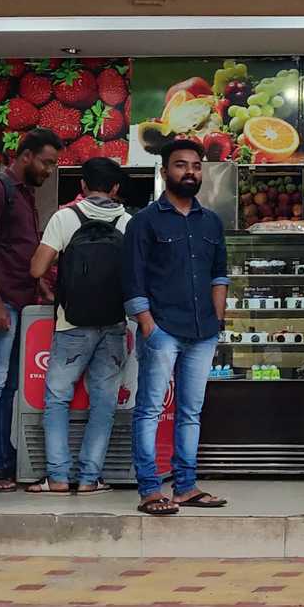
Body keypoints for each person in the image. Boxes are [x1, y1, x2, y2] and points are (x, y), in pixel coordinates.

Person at [124, 139, 230, 515]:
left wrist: (217, 321)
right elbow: (133, 279)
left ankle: (185, 487)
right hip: (163, 329)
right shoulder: (144, 221)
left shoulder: (211, 222)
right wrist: (148, 325)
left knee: (190, 412)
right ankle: (150, 490)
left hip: (203, 332)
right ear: (165, 171)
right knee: (149, 410)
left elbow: (219, 275)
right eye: (181, 165)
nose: (190, 172)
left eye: (196, 166)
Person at [22, 157, 131, 496]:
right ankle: (89, 479)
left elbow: (36, 269)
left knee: (57, 399)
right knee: (104, 404)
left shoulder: (65, 217)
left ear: (82, 186)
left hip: (71, 324)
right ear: (116, 188)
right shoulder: (129, 222)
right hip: (114, 323)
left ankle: (57, 477)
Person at [0, 127, 61, 493]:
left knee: (8, 388)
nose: (49, 170)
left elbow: (17, 250)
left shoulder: (23, 194)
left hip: (20, 300)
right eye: (46, 162)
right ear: (26, 156)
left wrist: (39, 286)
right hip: (0, 301)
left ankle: (3, 462)